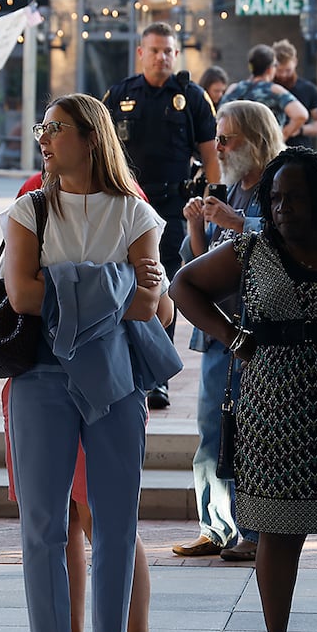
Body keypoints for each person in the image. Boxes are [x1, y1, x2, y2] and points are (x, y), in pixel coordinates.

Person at [2, 93, 181, 632]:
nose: (44, 139)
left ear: (89, 137)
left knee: (118, 516)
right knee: (46, 520)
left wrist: (72, 283)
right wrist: (114, 280)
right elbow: (21, 298)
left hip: (116, 377)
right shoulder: (29, 210)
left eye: (56, 128)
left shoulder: (134, 212)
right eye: (41, 127)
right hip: (43, 375)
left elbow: (150, 304)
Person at [173, 147, 317, 632]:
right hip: (271, 412)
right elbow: (182, 287)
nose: (282, 208)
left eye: (295, 197)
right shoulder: (249, 250)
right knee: (276, 534)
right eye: (275, 198)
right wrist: (233, 339)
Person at [172, 101, 284, 561]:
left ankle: (257, 532)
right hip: (221, 332)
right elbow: (198, 265)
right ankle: (216, 528)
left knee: (254, 430)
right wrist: (198, 225)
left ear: (256, 138)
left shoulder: (280, 184)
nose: (217, 146)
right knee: (212, 430)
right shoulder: (232, 188)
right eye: (217, 137)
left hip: (260, 333)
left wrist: (236, 223)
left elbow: (296, 241)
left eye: (227, 138)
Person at [104, 21, 221, 409]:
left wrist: (213, 202)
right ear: (141, 53)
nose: (163, 57)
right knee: (119, 282)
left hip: (171, 207)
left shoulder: (192, 97)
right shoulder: (119, 95)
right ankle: (122, 367)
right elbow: (101, 152)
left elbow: (210, 157)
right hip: (124, 205)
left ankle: (157, 376)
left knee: (162, 282)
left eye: (169, 51)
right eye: (155, 50)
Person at [219, 43, 308, 141]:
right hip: (266, 150)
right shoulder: (274, 90)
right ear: (270, 69)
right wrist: (282, 136)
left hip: (235, 149)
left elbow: (219, 116)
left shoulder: (234, 88)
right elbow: (301, 114)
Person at [271, 39, 317, 151]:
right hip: (270, 151)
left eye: (288, 70)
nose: (283, 75)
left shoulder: (308, 89)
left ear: (295, 62)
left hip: (299, 152)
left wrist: (300, 129)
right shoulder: (265, 90)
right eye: (279, 71)